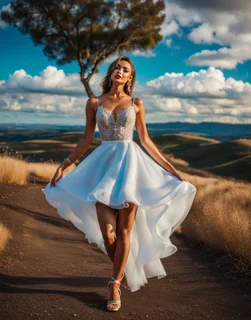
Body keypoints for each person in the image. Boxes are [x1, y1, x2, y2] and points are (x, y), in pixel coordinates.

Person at [42, 56, 197, 312]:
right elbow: (86, 139)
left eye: (125, 69)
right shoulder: (94, 103)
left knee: (124, 232)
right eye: (117, 67)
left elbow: (145, 141)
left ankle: (114, 282)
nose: (119, 71)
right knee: (109, 234)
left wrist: (171, 169)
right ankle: (125, 268)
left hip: (131, 169)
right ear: (111, 72)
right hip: (103, 168)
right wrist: (64, 165)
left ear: (130, 77)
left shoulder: (136, 104)